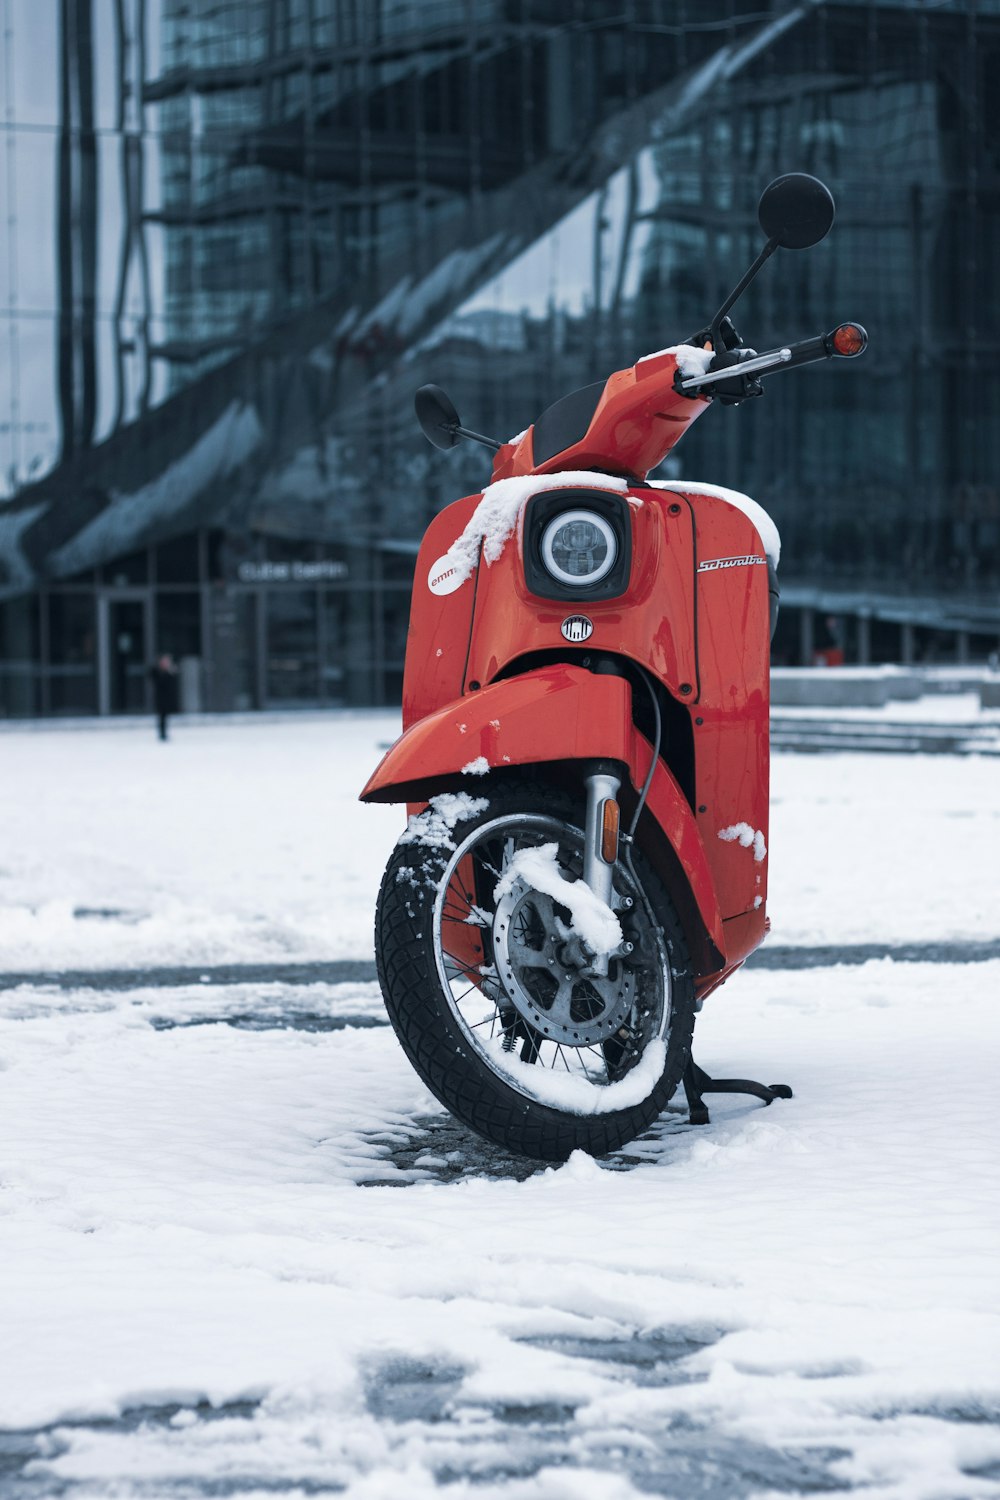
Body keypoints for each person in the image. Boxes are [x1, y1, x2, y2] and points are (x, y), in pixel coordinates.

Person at [149, 653, 179, 740]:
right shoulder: (157, 672)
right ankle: (162, 734)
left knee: (165, 716)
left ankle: (164, 733)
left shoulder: (169, 673)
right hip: (160, 698)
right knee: (162, 716)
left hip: (167, 698)